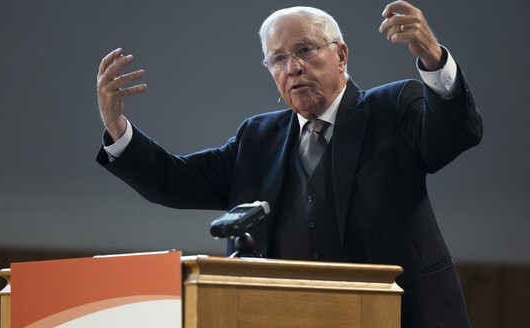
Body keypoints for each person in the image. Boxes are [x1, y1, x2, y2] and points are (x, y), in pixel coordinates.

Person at [95, 1, 482, 327]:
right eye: (278, 58)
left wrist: (432, 56)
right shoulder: (257, 138)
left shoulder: (392, 108)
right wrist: (117, 126)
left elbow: (455, 134)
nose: (292, 67)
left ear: (341, 55)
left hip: (396, 314)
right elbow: (173, 182)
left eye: (305, 50)